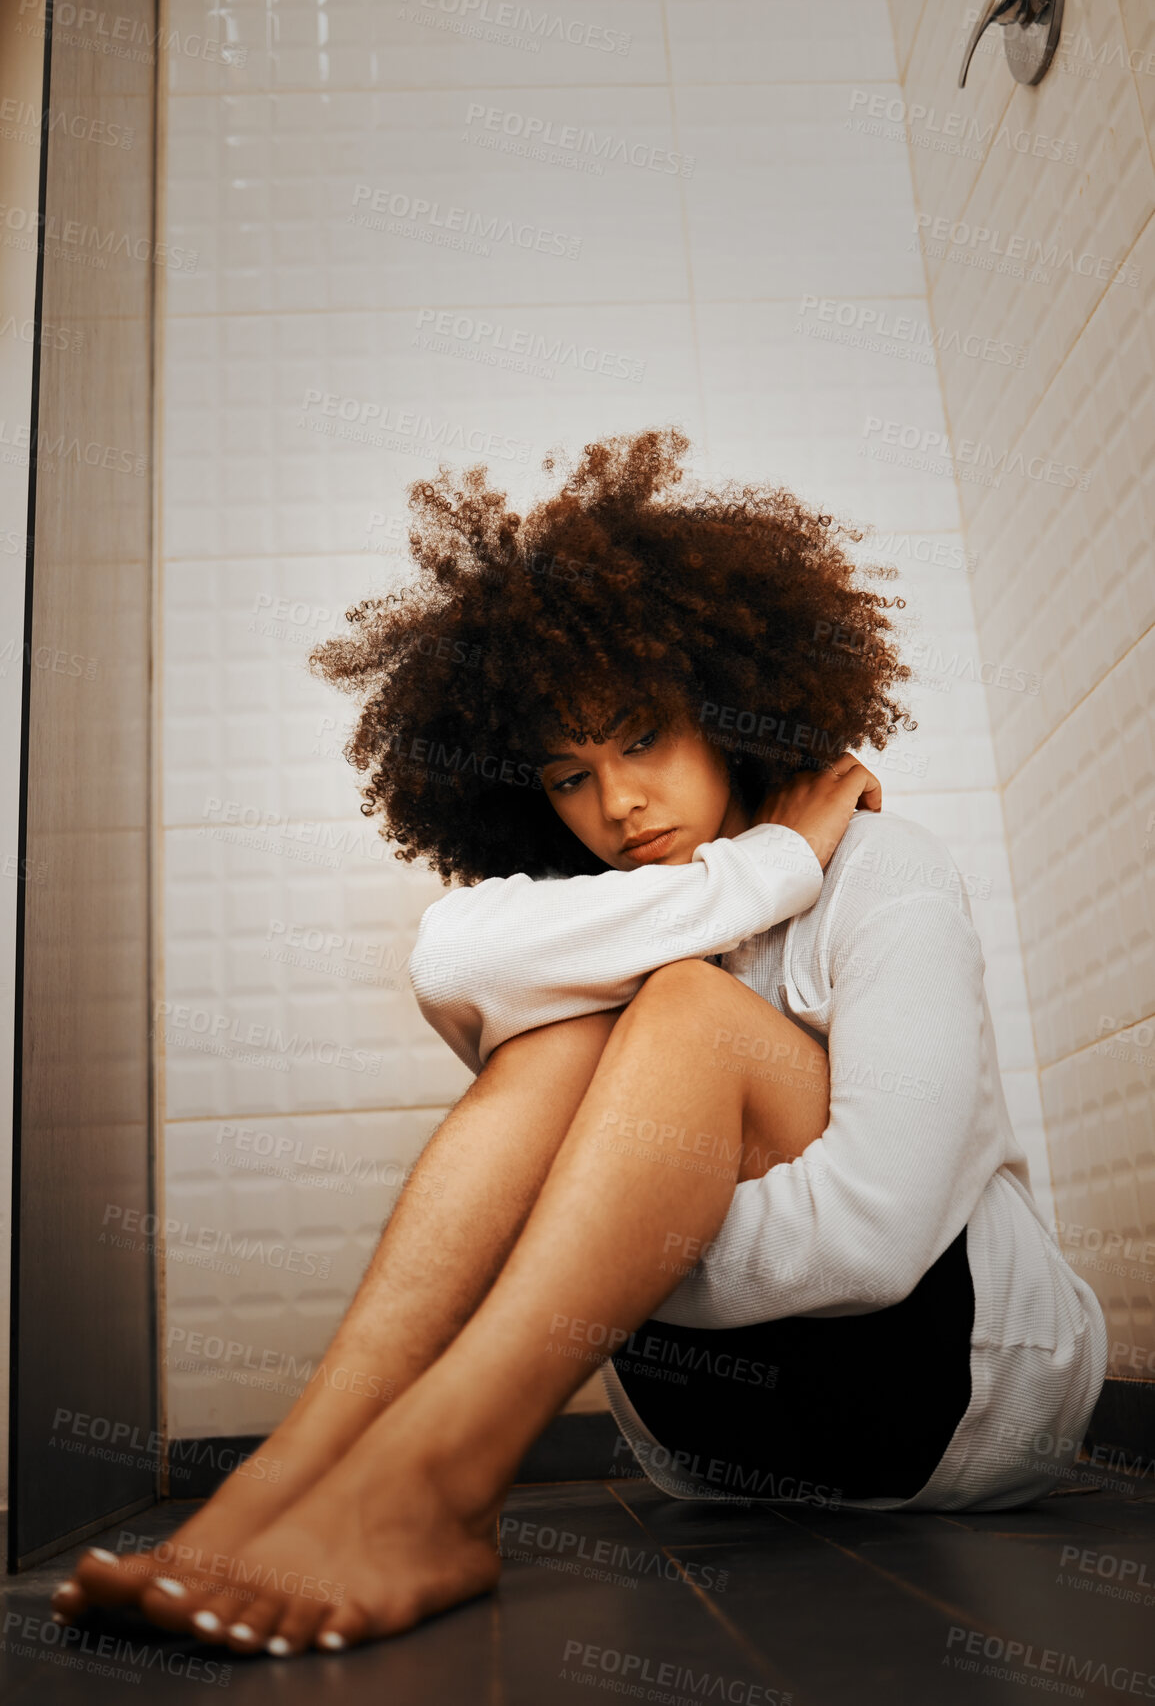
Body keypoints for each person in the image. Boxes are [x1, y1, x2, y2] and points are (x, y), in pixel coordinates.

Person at [51, 429, 1106, 1658]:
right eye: (568, 775)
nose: (615, 805)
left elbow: (874, 1240)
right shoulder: (625, 914)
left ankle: (437, 1485)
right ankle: (285, 1484)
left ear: (727, 708)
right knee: (557, 1045)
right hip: (720, 1448)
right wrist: (765, 866)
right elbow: (451, 957)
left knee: (685, 1015)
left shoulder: (888, 873)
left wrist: (593, 1233)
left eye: (643, 738)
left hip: (956, 1401)